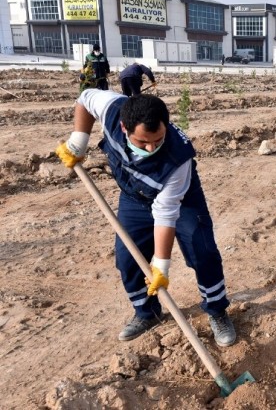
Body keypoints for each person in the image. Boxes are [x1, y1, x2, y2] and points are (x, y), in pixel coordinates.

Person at [55, 90, 237, 346]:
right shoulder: (110, 109)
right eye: (143, 142)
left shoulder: (177, 159)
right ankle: (146, 312)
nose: (152, 147)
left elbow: (165, 213)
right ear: (123, 127)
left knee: (202, 250)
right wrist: (79, 140)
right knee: (128, 258)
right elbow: (85, 99)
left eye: (158, 140)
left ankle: (217, 310)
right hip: (134, 197)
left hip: (181, 199)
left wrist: (161, 266)